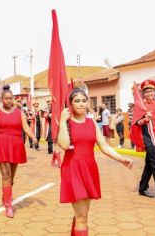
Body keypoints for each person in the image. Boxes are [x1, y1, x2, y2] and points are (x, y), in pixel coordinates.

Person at [57, 88, 133, 235]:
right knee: (82, 216)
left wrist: (121, 159)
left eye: (84, 101)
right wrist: (61, 121)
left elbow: (104, 146)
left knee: (82, 214)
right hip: (73, 169)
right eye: (77, 101)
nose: (81, 104)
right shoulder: (66, 123)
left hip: (89, 168)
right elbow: (64, 145)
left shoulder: (92, 123)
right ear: (70, 104)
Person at [0, 85, 37, 218]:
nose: (9, 101)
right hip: (1, 144)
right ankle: (9, 205)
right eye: (6, 99)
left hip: (15, 144)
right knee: (6, 175)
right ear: (1, 99)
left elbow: (25, 127)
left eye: (11, 99)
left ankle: (6, 195)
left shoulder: (19, 112)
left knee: (12, 178)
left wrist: (33, 137)